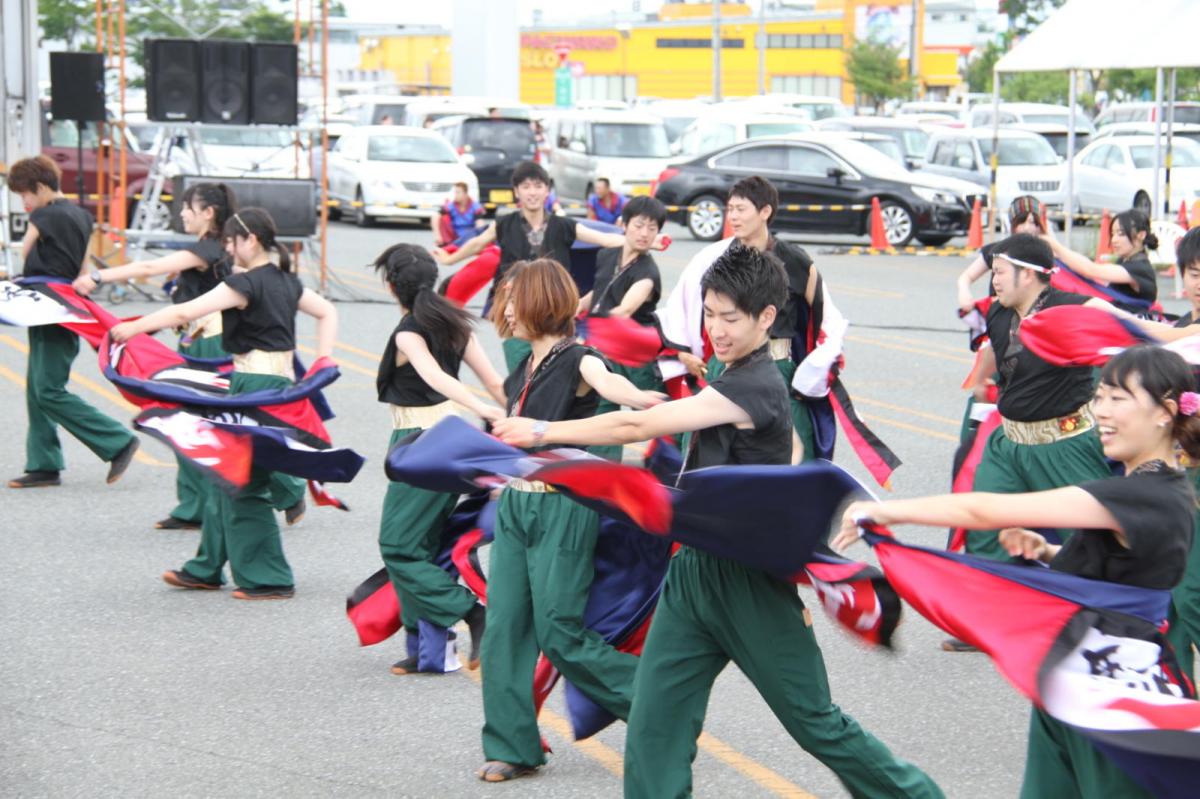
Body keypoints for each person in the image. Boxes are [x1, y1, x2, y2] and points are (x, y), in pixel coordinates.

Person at [494, 245, 942, 799]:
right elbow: (777, 452)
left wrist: (543, 433)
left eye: (731, 318)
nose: (717, 328)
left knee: (815, 723)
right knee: (657, 726)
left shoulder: (753, 385)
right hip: (690, 576)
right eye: (710, 314)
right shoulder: (730, 374)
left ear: (766, 318)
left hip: (747, 582)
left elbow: (640, 426)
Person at [834, 344, 1199, 799]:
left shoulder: (1149, 494)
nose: (1099, 411)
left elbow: (988, 508)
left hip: (1116, 694)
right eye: (1099, 396)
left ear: (1165, 412)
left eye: (1117, 398)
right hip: (1074, 679)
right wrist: (1047, 552)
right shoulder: (1140, 488)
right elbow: (1123, 572)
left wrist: (889, 513)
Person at [471, 258, 663, 783]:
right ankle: (513, 745)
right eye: (506, 299)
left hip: (562, 506)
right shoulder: (524, 364)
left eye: (515, 299)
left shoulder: (578, 357)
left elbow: (609, 383)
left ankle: (661, 704)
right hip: (517, 504)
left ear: (543, 302)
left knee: (558, 631)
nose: (507, 309)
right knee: (504, 630)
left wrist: (641, 402)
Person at [110, 208, 338, 600]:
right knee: (223, 474)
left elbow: (184, 311)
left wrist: (132, 327)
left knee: (243, 482)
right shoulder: (287, 281)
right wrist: (323, 358)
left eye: (232, 242)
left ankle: (269, 577)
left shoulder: (244, 283)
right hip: (276, 383)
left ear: (250, 240)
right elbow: (327, 312)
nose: (228, 251)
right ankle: (206, 568)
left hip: (253, 384)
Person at [72, 183, 308, 531]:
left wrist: (97, 276)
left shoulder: (210, 249)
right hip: (195, 343)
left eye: (188, 207)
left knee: (219, 425)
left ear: (208, 213)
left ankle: (286, 489)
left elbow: (151, 267)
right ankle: (195, 505)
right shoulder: (213, 248)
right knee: (189, 421)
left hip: (211, 346)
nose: (181, 213)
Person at [371, 243, 506, 674]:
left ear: (392, 287)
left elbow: (435, 376)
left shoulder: (410, 331)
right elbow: (496, 382)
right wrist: (509, 411)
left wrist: (491, 411)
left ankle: (471, 610)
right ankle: (429, 652)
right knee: (425, 546)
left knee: (398, 545)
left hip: (420, 443)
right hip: (451, 441)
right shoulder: (452, 324)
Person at [657, 175, 845, 464]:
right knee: (703, 441)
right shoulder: (717, 255)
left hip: (778, 367)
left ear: (765, 211)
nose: (732, 216)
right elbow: (685, 304)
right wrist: (682, 351)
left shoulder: (794, 259)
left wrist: (813, 367)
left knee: (792, 449)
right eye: (729, 209)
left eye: (740, 209)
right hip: (724, 362)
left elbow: (822, 313)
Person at [433, 161, 660, 370]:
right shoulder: (504, 224)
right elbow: (477, 244)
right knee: (521, 373)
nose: (532, 192)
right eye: (526, 186)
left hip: (553, 309)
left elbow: (604, 239)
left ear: (547, 190)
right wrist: (450, 259)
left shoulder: (564, 225)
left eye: (538, 186)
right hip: (515, 312)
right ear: (516, 191)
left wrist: (643, 240)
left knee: (552, 373)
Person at [6, 155, 139, 489]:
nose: (24, 202)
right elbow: (80, 264)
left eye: (25, 194)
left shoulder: (43, 214)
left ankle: (116, 440)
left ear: (39, 187)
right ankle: (43, 463)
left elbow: (24, 252)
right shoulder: (82, 215)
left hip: (44, 305)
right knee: (39, 386)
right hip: (67, 305)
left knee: (47, 389)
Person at [575, 195, 666, 461]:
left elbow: (623, 311)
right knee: (604, 407)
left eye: (652, 228)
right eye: (639, 225)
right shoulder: (607, 255)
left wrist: (588, 329)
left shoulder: (648, 272)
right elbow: (601, 289)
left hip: (637, 354)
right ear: (623, 225)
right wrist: (577, 306)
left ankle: (673, 460)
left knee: (654, 414)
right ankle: (601, 468)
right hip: (603, 348)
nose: (645, 233)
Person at [1168, 227, 1200, 677]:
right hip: (1174, 477)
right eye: (1195, 273)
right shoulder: (1171, 332)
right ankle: (1176, 709)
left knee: (1189, 594)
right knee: (1170, 597)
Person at [1043, 209, 1159, 314]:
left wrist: (1055, 246)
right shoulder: (1125, 260)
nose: (1114, 240)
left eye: (1121, 234)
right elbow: (1090, 269)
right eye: (1113, 234)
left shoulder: (1140, 268)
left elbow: (1090, 270)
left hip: (1135, 325)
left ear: (1141, 235)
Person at [955, 195, 1048, 315]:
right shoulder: (997, 250)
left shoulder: (1046, 254)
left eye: (1033, 222)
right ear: (1012, 224)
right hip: (999, 318)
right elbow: (966, 277)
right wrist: (964, 293)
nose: (1027, 228)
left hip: (1034, 321)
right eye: (1022, 221)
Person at [432, 182, 485, 248]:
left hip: (470, 237)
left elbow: (479, 222)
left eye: (458, 192)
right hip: (454, 236)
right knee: (443, 218)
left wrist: (481, 238)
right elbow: (435, 216)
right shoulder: (451, 205)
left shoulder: (475, 206)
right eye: (455, 192)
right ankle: (445, 244)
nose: (455, 195)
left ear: (465, 193)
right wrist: (437, 235)